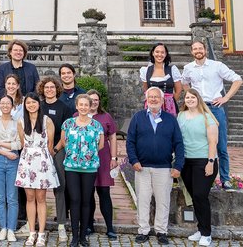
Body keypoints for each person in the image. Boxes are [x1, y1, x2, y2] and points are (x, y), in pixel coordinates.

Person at [127, 87, 185, 245]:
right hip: (142, 168)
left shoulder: (170, 119)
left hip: (164, 168)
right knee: (143, 200)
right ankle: (143, 230)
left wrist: (178, 165)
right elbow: (130, 141)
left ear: (162, 100)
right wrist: (134, 160)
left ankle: (161, 231)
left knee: (163, 201)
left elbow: (179, 144)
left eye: (156, 97)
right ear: (146, 100)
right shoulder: (138, 117)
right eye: (150, 97)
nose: (153, 99)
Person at [181, 40, 243, 187]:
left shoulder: (217, 66)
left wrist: (226, 97)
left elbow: (238, 79)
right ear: (192, 52)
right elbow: (184, 83)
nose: (198, 51)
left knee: (221, 144)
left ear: (205, 50)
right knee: (198, 141)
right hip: (198, 108)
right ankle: (203, 175)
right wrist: (190, 97)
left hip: (215, 107)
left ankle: (225, 178)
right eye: (195, 49)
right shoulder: (188, 68)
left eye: (200, 48)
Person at [15, 92, 59, 247]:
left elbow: (50, 144)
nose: (31, 105)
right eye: (28, 103)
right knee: (29, 198)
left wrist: (45, 160)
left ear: (38, 104)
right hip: (27, 161)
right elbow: (22, 143)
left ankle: (41, 233)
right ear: (25, 105)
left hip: (42, 162)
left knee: (41, 198)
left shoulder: (47, 121)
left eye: (34, 102)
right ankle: (31, 232)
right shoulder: (21, 122)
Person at [60, 94, 105, 247]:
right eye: (81, 105)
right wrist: (74, 155)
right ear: (77, 106)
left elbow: (100, 145)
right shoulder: (68, 124)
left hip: (89, 168)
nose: (84, 107)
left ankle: (83, 236)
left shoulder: (97, 126)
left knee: (86, 201)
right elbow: (64, 142)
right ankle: (74, 236)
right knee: (75, 200)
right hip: (71, 167)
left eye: (87, 105)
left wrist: (87, 157)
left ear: (90, 106)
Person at [178, 88, 219, 246]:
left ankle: (207, 234)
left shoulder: (207, 117)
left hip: (204, 161)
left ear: (198, 99)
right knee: (195, 197)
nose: (189, 100)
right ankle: (201, 229)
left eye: (192, 97)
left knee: (201, 196)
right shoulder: (180, 116)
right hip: (186, 162)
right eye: (187, 97)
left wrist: (210, 162)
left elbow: (212, 142)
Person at [85, 88, 119, 240]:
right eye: (90, 100)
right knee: (88, 193)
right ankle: (89, 225)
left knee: (104, 192)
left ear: (99, 102)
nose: (93, 102)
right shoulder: (78, 116)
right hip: (84, 160)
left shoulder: (106, 117)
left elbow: (112, 138)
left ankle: (110, 227)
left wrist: (114, 158)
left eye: (96, 100)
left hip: (103, 158)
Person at [0, 95, 21, 242]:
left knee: (12, 197)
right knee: (0, 197)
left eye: (8, 103)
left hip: (14, 161)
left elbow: (19, 144)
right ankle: (3, 228)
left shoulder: (17, 123)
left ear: (12, 106)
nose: (5, 105)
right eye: (3, 103)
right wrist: (6, 150)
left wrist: (1, 144)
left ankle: (11, 229)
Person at [41, 76, 71, 242]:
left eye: (52, 87)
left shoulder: (64, 107)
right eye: (47, 87)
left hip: (58, 150)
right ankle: (38, 224)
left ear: (57, 89)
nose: (49, 90)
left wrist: (56, 149)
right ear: (42, 89)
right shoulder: (38, 106)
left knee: (59, 186)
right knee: (38, 189)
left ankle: (61, 224)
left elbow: (65, 132)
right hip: (39, 152)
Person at [140, 43, 182, 115]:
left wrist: (169, 102)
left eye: (162, 52)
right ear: (153, 53)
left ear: (166, 54)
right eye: (157, 52)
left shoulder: (172, 69)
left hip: (169, 106)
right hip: (152, 105)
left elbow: (178, 90)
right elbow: (146, 90)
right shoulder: (146, 70)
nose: (159, 54)